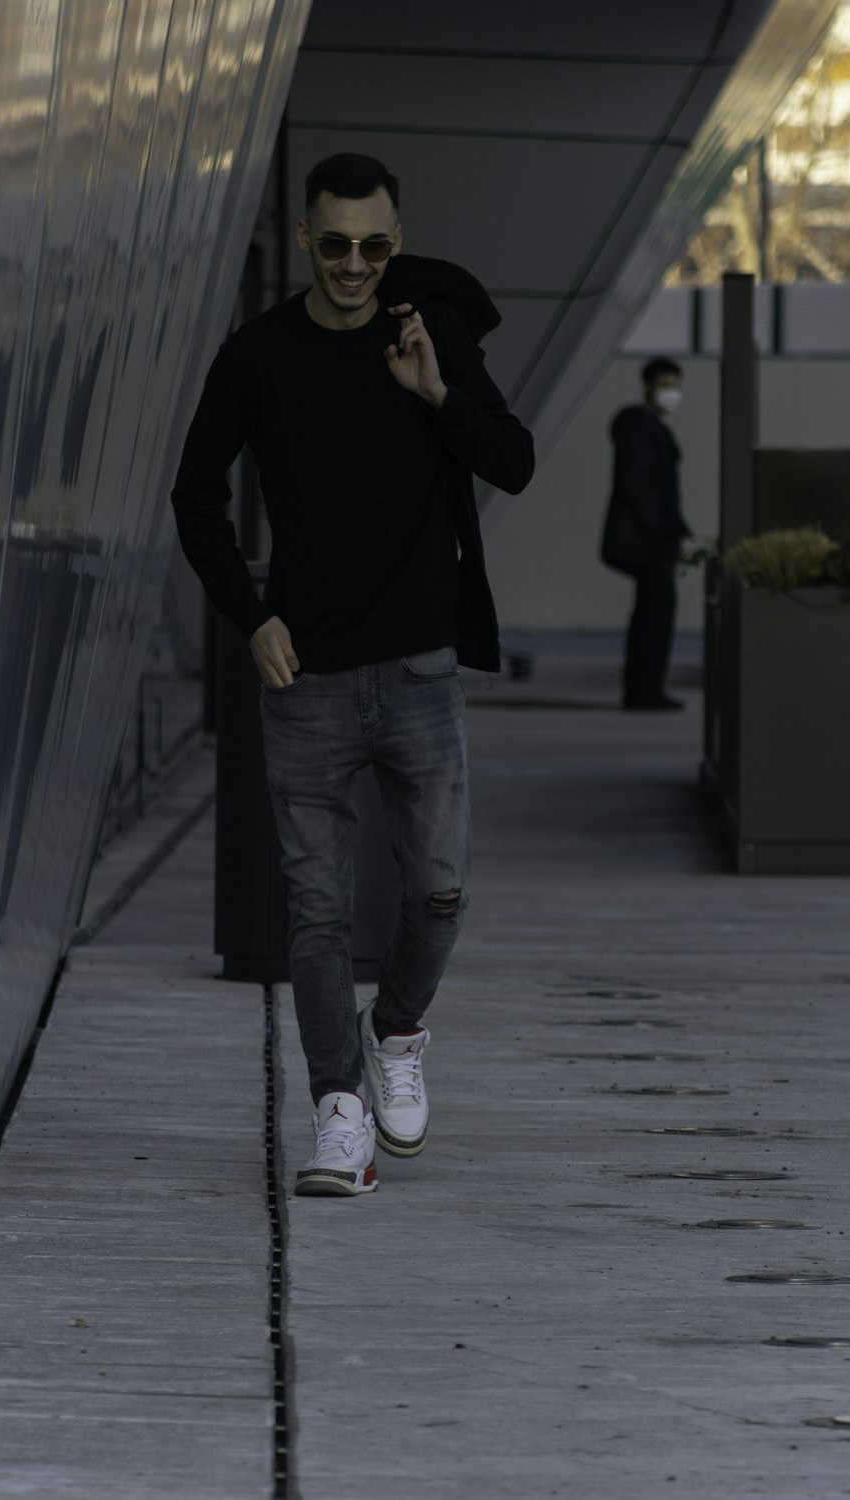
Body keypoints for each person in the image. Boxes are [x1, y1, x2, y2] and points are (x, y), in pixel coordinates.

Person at [171, 153, 534, 1197]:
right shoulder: (258, 357)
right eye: (335, 245)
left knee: (438, 893)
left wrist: (435, 393)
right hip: (309, 680)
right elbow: (194, 498)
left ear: (395, 240)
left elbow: (512, 459)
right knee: (317, 912)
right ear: (305, 242)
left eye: (376, 246)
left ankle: (399, 1031)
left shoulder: (428, 333)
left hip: (420, 669)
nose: (356, 265)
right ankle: (338, 1112)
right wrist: (249, 618)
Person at [601, 356, 691, 711]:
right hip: (648, 542)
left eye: (676, 384)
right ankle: (644, 691)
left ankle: (646, 689)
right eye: (667, 384)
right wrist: (663, 531)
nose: (673, 392)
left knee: (653, 612)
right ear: (649, 385)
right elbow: (640, 486)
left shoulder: (647, 425)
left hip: (653, 538)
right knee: (654, 614)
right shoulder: (640, 426)